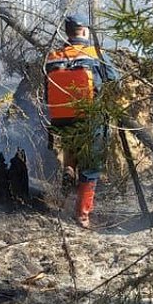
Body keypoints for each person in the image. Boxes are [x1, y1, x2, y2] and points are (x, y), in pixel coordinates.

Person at [44, 14, 119, 228]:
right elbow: (113, 80)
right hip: (89, 117)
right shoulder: (95, 54)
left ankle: (68, 169)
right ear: (85, 31)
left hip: (60, 119)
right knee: (91, 165)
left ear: (67, 33)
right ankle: (82, 215)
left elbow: (47, 94)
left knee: (73, 144)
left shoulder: (53, 56)